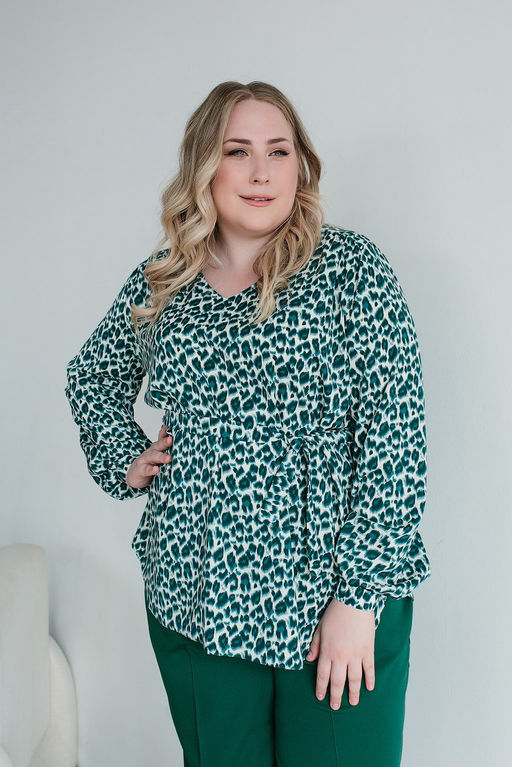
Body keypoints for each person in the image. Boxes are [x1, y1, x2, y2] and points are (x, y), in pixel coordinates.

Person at [64, 80, 432, 766]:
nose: (261, 171)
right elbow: (93, 374)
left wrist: (358, 601)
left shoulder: (352, 271)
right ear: (205, 166)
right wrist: (125, 456)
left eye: (278, 150)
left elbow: (396, 442)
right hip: (195, 591)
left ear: (300, 165)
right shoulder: (163, 279)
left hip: (331, 599)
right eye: (238, 151)